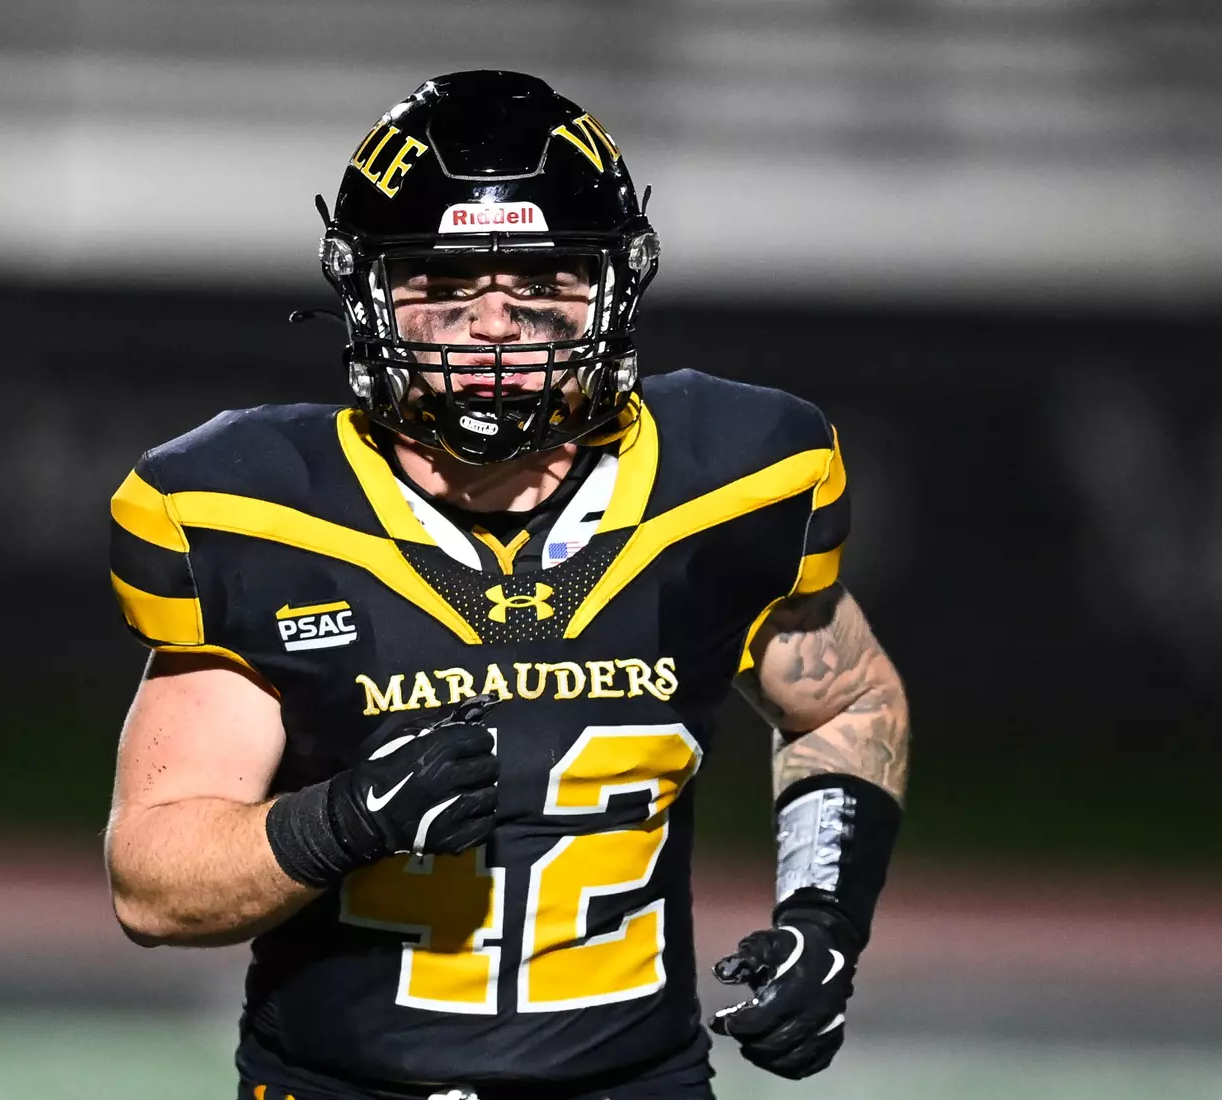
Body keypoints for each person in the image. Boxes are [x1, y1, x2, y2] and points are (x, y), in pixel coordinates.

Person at [105, 70, 909, 1100]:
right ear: (369, 296)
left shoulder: (728, 480)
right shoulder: (257, 512)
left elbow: (845, 698)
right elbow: (153, 880)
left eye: (539, 286)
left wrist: (823, 917)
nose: (494, 325)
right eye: (443, 287)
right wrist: (344, 819)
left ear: (611, 292)